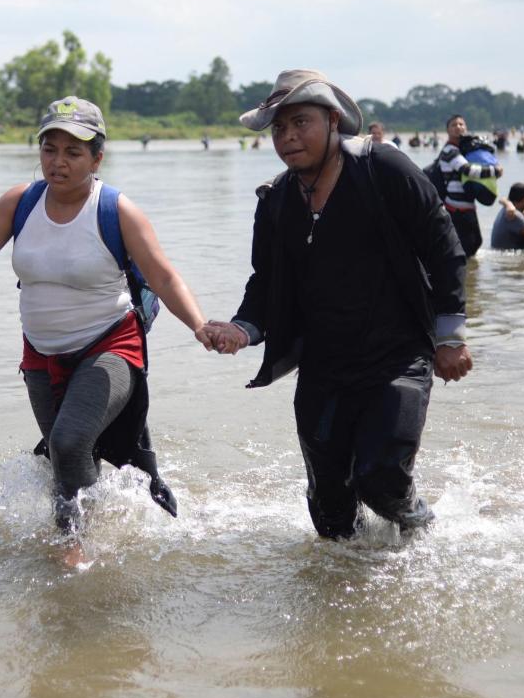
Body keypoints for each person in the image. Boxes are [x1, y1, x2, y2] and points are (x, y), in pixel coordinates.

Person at [0, 97, 213, 546]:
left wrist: (200, 326)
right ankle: (94, 523)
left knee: (67, 441)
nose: (58, 162)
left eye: (73, 152)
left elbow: (164, 276)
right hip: (40, 355)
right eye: (49, 149)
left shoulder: (117, 210)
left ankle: (73, 547)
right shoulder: (20, 202)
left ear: (97, 158)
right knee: (70, 458)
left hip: (110, 346)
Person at [201, 70, 472, 541]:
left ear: (332, 120)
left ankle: (423, 534)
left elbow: (442, 245)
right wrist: (243, 328)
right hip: (324, 367)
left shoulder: (383, 169)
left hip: (398, 356)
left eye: (299, 122)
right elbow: (265, 281)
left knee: (383, 479)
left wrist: (450, 336)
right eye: (278, 129)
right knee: (329, 510)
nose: (287, 138)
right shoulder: (276, 201)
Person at [433, 114, 504, 258]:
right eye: (454, 125)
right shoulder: (449, 150)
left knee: (474, 244)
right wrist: (495, 171)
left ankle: (471, 278)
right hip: (456, 208)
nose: (458, 127)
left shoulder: (464, 149)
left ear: (466, 128)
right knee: (465, 247)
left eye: (461, 124)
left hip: (466, 206)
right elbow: (468, 170)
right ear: (448, 130)